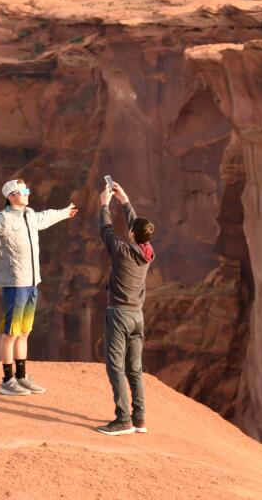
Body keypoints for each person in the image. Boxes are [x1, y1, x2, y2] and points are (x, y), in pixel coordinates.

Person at [0, 178, 78, 395]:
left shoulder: (29, 215)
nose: (27, 193)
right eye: (22, 191)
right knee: (10, 332)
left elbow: (45, 217)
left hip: (31, 282)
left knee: (24, 332)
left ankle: (21, 376)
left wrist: (65, 212)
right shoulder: (4, 219)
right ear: (10, 196)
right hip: (16, 283)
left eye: (27, 189)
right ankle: (7, 380)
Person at [95, 181, 157, 436]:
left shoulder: (120, 250)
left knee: (115, 367)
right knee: (135, 368)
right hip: (137, 317)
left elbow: (105, 229)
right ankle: (139, 419)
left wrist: (104, 204)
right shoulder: (148, 252)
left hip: (119, 315)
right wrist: (126, 202)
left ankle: (123, 419)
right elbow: (136, 229)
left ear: (132, 234)